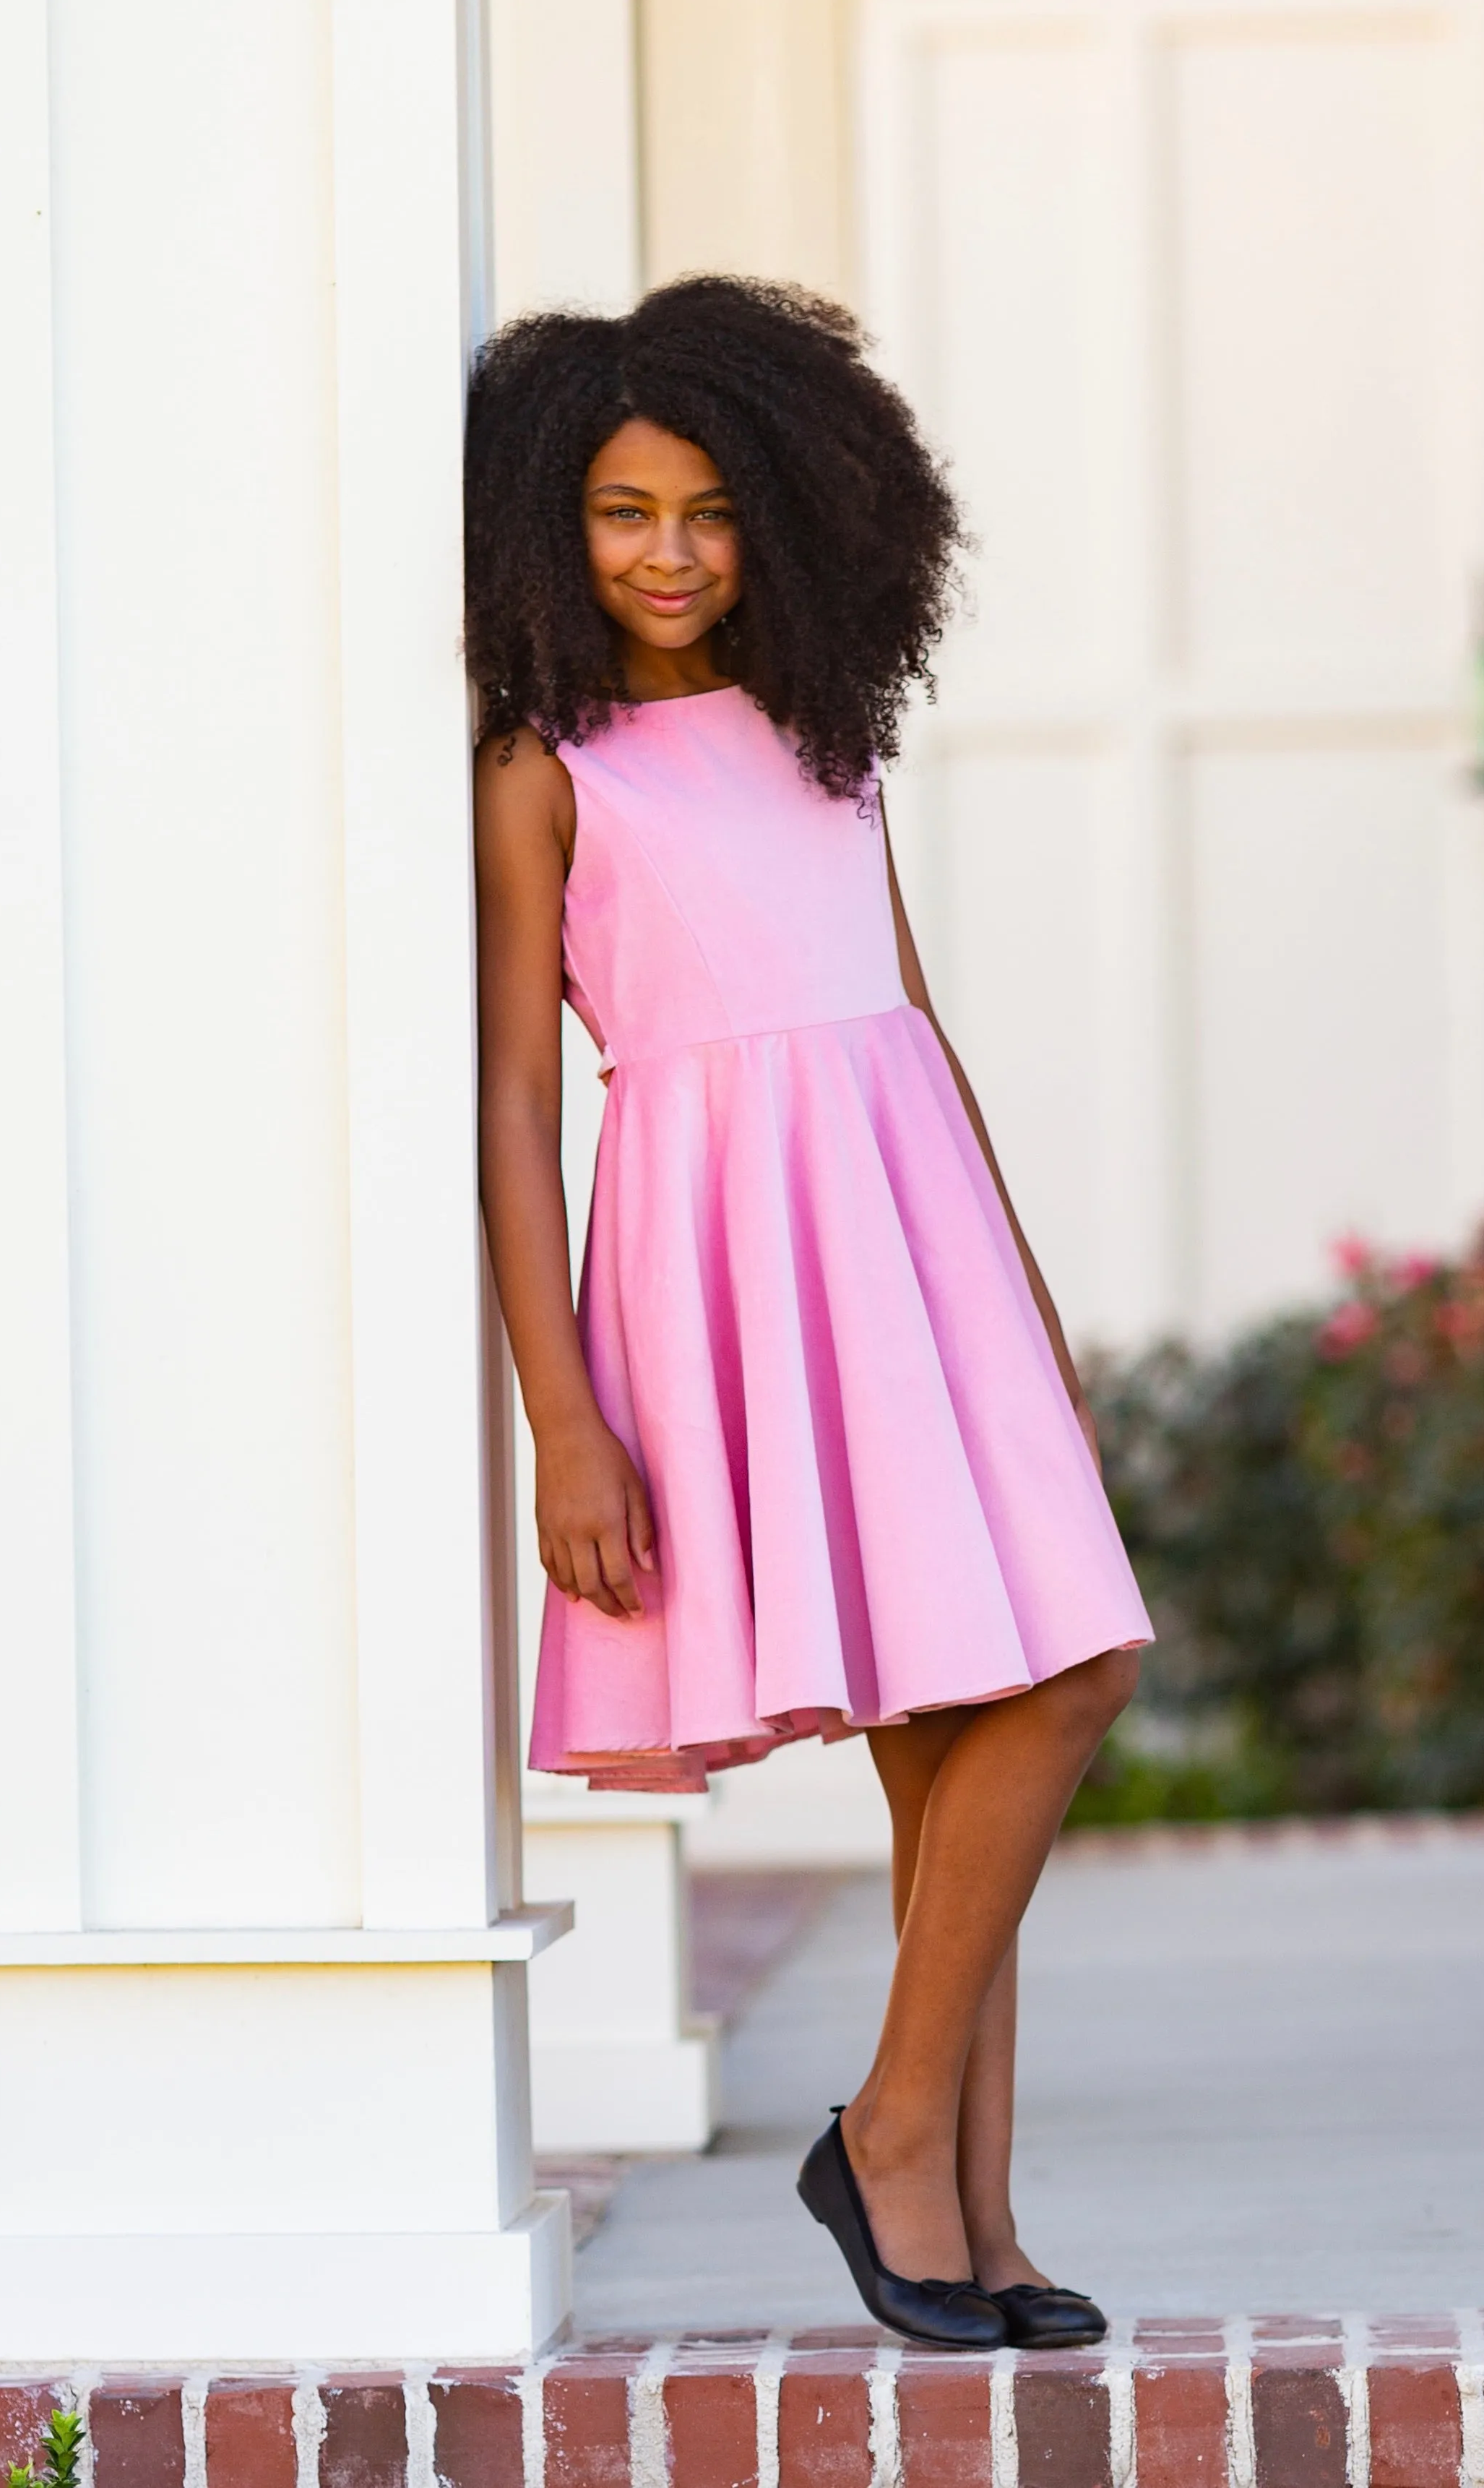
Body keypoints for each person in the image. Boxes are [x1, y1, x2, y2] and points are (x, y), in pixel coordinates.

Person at [467, 277, 1152, 2351]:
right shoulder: (541, 766)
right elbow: (507, 1095)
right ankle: (895, 2147)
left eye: (706, 509)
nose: (667, 551)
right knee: (1030, 1693)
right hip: (724, 1246)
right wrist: (559, 1421)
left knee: (1006, 1706)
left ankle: (966, 2207)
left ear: (786, 511)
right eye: (617, 509)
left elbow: (910, 1031)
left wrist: (1020, 1319)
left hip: (909, 1232)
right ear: (541, 527)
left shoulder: (825, 734)